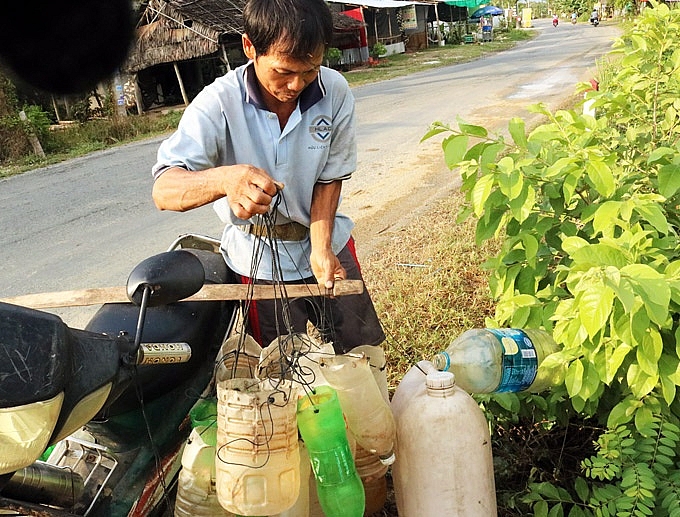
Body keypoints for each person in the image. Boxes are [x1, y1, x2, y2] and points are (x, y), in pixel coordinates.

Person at [150, 0, 385, 354]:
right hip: (257, 259)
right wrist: (226, 179)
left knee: (362, 352)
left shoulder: (333, 91)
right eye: (283, 71)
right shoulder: (217, 103)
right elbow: (164, 190)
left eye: (309, 72)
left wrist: (321, 249)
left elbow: (329, 178)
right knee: (279, 370)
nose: (295, 85)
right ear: (249, 47)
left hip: (326, 240)